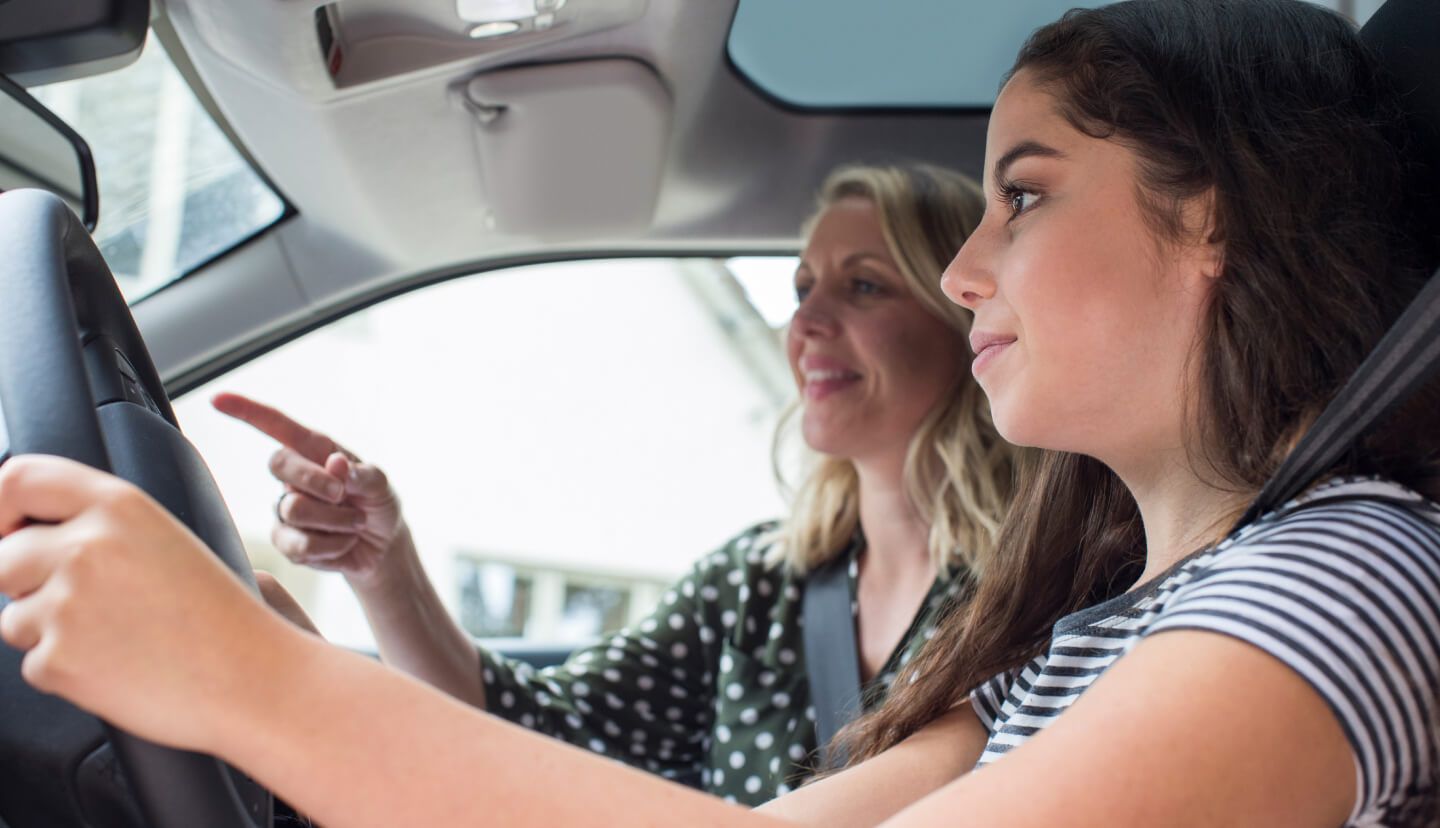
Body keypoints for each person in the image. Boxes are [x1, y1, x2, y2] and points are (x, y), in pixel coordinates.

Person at [2, 0, 1439, 825]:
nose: (964, 270)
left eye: (1026, 192)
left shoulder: (1351, 578)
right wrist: (256, 660)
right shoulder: (1079, 630)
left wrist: (256, 686)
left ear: (1216, 223)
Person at [210, 161, 1017, 803]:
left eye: (864, 284)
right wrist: (384, 569)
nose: (804, 323)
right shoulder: (759, 584)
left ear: (965, 319)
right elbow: (536, 732)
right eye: (802, 289)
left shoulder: (1033, 595)